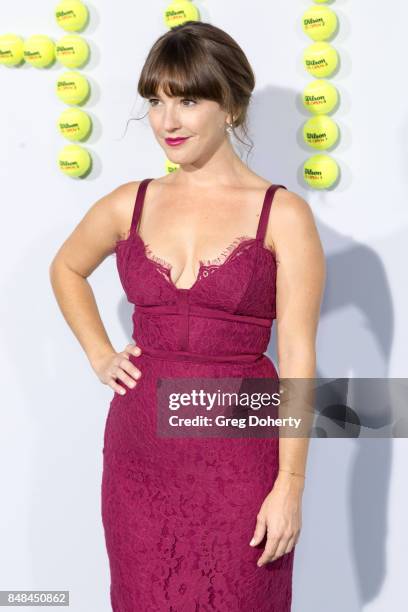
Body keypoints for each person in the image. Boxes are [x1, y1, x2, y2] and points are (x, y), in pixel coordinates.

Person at [49, 21, 325, 611]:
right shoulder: (130, 202)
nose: (167, 121)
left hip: (241, 456)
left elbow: (300, 358)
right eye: (155, 100)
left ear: (230, 106)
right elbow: (66, 269)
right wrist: (101, 353)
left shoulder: (284, 215)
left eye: (188, 100)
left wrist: (291, 485)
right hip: (140, 455)